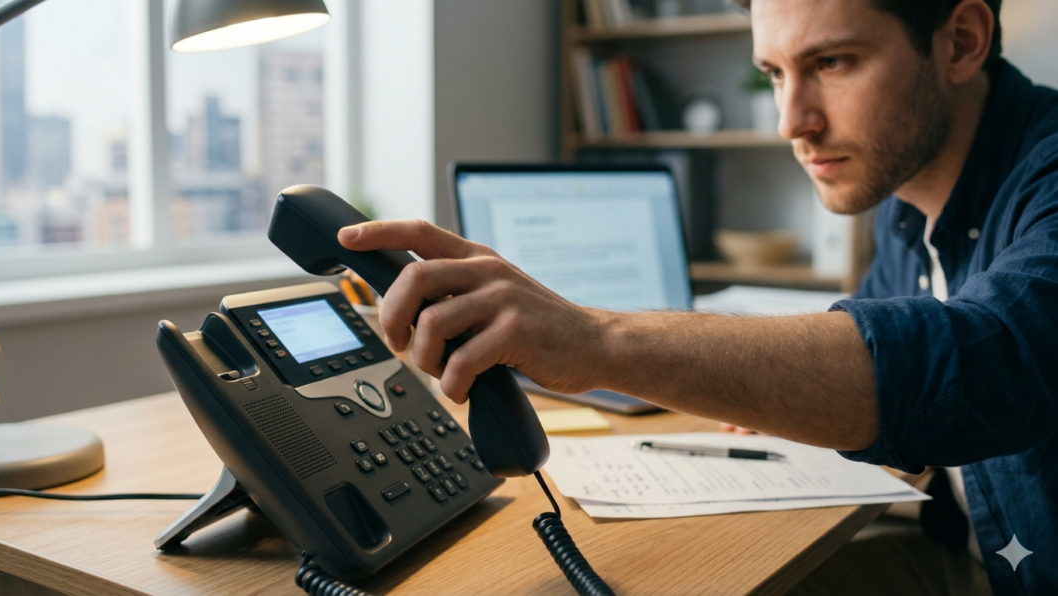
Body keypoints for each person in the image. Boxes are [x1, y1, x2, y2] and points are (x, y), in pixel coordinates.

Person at [337, 0, 1056, 593]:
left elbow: (992, 360)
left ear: (960, 41)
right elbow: (887, 388)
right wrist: (786, 397)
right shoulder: (905, 208)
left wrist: (597, 340)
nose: (791, 122)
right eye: (774, 73)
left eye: (832, 63)